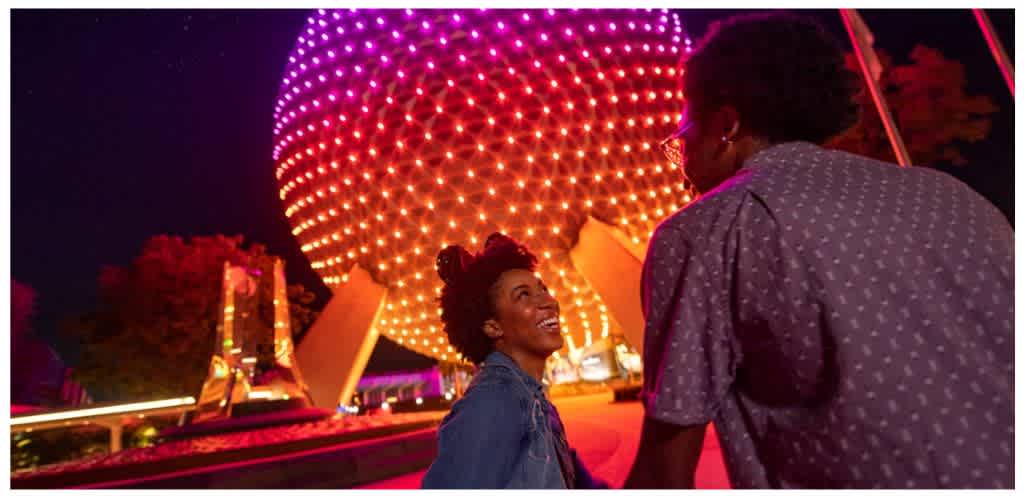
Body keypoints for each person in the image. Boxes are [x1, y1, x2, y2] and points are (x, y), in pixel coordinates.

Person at [625, 12, 1013, 489]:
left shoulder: (706, 231)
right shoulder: (952, 196)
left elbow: (665, 471)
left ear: (725, 124)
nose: (681, 162)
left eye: (682, 139)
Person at [421, 232, 607, 489]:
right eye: (523, 295)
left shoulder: (533, 400)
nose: (549, 302)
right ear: (493, 327)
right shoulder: (492, 401)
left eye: (542, 289)